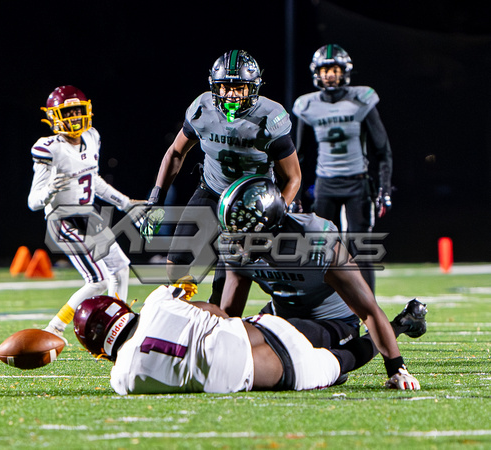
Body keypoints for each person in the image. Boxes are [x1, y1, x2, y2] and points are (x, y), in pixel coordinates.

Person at [216, 175, 426, 386]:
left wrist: (396, 368)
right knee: (248, 337)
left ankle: (400, 325)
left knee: (286, 342)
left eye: (244, 234)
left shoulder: (316, 240)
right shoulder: (236, 249)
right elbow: (229, 315)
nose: (238, 243)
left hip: (334, 321)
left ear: (270, 225)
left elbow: (369, 310)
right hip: (280, 316)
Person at [142, 50, 302, 304]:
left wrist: (280, 207)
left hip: (251, 204)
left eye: (239, 87)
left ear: (254, 87)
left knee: (229, 281)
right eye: (225, 87)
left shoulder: (270, 118)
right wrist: (155, 197)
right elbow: (175, 152)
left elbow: (293, 176)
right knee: (176, 267)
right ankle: (181, 318)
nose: (232, 94)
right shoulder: (203, 109)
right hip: (212, 191)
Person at [73, 286, 420, 395]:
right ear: (119, 308)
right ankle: (371, 327)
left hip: (283, 372)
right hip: (267, 327)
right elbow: (216, 312)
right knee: (324, 331)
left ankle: (398, 325)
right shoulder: (156, 302)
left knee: (343, 361)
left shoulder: (122, 380)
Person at [28, 85, 145, 341]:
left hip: (87, 215)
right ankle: (54, 328)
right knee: (98, 279)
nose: (73, 118)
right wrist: (49, 191)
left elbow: (94, 180)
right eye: (67, 113)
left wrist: (125, 203)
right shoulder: (49, 148)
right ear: (53, 116)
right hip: (62, 218)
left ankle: (117, 322)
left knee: (121, 268)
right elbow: (33, 202)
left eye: (77, 111)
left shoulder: (92, 136)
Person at [292, 44, 393, 292]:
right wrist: (294, 195)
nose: (329, 75)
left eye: (334, 69)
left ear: (344, 71)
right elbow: (296, 155)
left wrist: (384, 188)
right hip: (326, 185)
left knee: (361, 248)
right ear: (316, 72)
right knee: (323, 250)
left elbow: (383, 150)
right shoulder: (307, 105)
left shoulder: (362, 100)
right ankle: (328, 308)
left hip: (357, 183)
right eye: (324, 70)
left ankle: (370, 311)